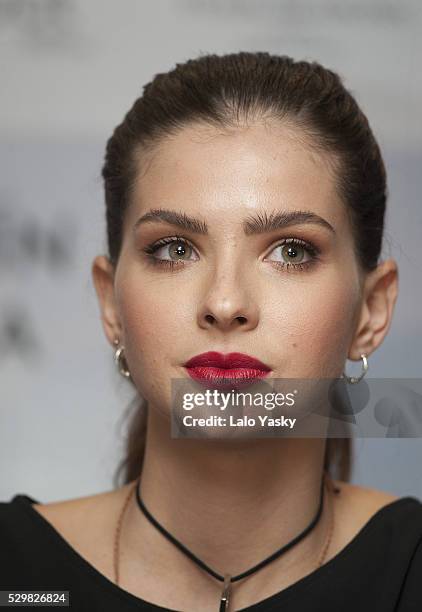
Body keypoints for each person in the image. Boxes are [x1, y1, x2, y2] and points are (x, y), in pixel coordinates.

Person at [1, 51, 421, 612]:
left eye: (291, 251)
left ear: (370, 311)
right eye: (174, 249)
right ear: (111, 305)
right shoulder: (18, 581)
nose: (225, 303)